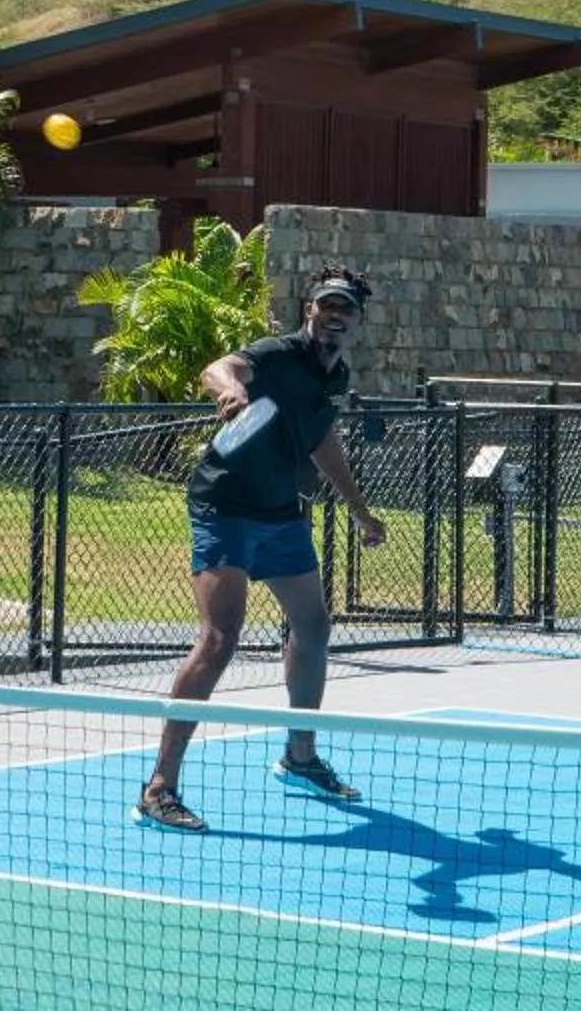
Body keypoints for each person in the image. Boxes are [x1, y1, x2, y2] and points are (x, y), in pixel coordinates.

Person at [134, 267, 389, 834]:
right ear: (309, 311)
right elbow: (220, 367)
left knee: (314, 627)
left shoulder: (335, 374)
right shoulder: (276, 354)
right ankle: (159, 787)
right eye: (326, 306)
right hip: (224, 507)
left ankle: (300, 756)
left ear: (357, 322)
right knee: (220, 639)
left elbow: (321, 441)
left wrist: (358, 509)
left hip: (280, 514)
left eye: (344, 310)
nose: (334, 316)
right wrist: (230, 388)